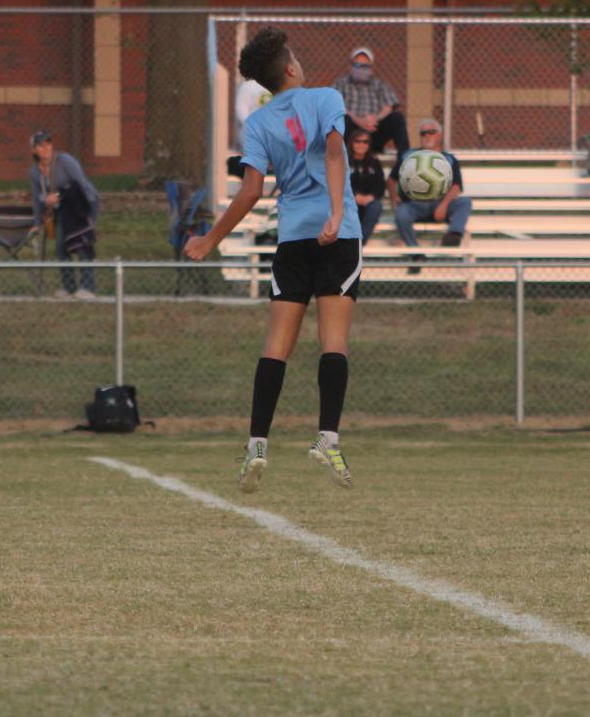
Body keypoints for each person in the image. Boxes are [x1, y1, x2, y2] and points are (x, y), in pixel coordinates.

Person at [183, 26, 361, 493]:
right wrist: (338, 212)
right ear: (290, 66)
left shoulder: (258, 124)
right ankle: (327, 438)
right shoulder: (326, 97)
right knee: (333, 342)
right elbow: (337, 151)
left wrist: (210, 240)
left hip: (291, 239)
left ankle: (257, 444)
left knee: (276, 345)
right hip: (335, 235)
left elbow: (251, 190)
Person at [29, 130, 100, 299]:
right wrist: (37, 222)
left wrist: (91, 216)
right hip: (62, 210)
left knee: (81, 245)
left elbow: (81, 185)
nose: (46, 148)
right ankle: (68, 287)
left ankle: (88, 288)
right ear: (34, 150)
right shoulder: (34, 172)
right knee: (62, 247)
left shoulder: (65, 161)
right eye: (40, 145)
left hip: (81, 205)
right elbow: (36, 198)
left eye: (48, 144)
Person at [390, 118, 472, 262]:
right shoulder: (408, 156)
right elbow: (391, 180)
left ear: (439, 135)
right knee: (401, 214)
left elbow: (456, 187)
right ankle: (416, 253)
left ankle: (453, 235)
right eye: (423, 133)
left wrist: (444, 205)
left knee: (464, 202)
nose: (427, 136)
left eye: (431, 132)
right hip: (414, 205)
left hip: (440, 205)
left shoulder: (449, 159)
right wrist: (394, 196)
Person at [332, 46, 410, 161]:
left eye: (365, 66)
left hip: (374, 130)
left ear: (371, 69)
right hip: (351, 132)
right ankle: (338, 160)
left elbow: (390, 105)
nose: (361, 69)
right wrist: (358, 120)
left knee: (397, 118)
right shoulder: (340, 84)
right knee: (344, 119)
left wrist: (375, 119)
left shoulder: (379, 84)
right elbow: (334, 105)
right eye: (357, 65)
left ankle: (404, 163)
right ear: (350, 66)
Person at [348, 127, 386, 242]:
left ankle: (360, 242)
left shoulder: (374, 163)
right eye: (357, 141)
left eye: (365, 142)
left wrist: (371, 197)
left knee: (376, 206)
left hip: (368, 202)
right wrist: (354, 196)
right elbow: (340, 184)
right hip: (349, 201)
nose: (361, 144)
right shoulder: (344, 161)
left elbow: (380, 186)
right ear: (351, 143)